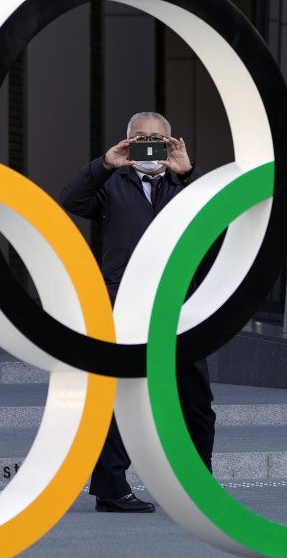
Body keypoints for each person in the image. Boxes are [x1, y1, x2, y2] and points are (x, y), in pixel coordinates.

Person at [60, 111, 216, 513]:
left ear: (170, 144)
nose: (149, 145)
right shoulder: (112, 182)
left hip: (178, 301)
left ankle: (197, 484)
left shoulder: (184, 184)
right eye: (140, 138)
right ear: (127, 142)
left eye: (157, 139)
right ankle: (111, 488)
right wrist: (104, 164)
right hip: (124, 300)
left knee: (194, 395)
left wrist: (190, 172)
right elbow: (70, 201)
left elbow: (216, 215)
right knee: (120, 396)